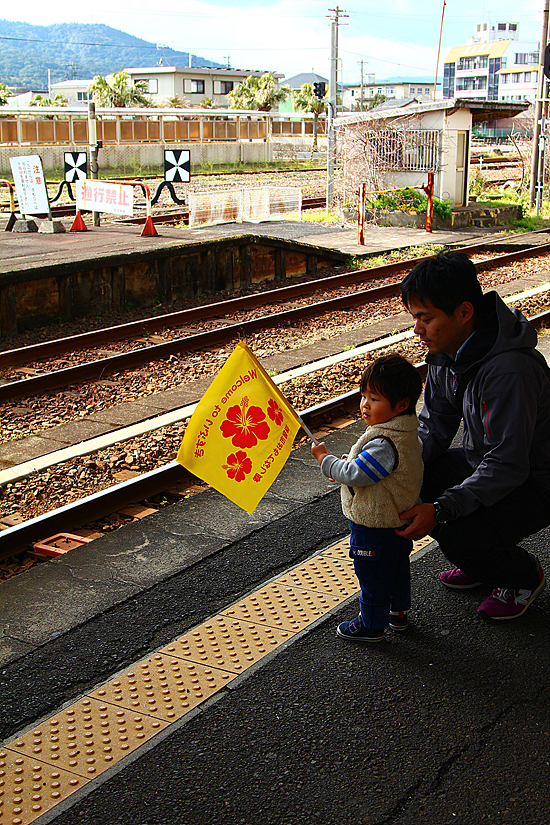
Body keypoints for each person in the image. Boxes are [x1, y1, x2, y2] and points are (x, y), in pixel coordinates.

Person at [396, 250, 550, 620]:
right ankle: (483, 562)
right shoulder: (446, 350)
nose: (417, 329)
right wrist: (398, 468)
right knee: (414, 483)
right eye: (415, 318)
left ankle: (520, 576)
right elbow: (434, 426)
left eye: (425, 318)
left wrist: (441, 509)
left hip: (536, 479)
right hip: (490, 463)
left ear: (464, 312)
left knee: (457, 529)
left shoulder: (509, 371)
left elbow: (508, 464)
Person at [311, 353, 423, 642]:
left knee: (372, 575)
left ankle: (371, 625)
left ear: (401, 405)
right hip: (395, 521)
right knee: (396, 569)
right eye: (364, 396)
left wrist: (326, 461)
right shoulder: (404, 431)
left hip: (375, 526)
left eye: (374, 398)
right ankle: (398, 615)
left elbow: (356, 473)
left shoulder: (385, 442)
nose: (364, 405)